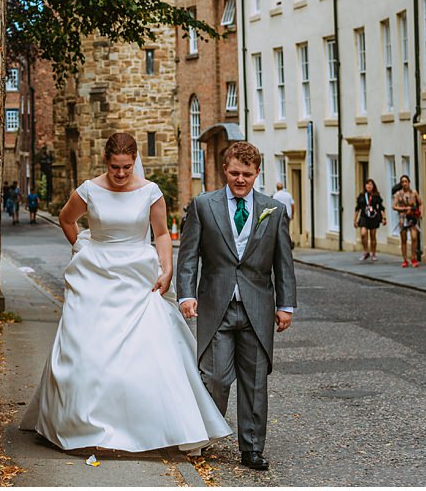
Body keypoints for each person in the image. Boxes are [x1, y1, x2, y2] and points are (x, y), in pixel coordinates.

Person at [20, 132, 232, 454]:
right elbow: (66, 219)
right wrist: (81, 247)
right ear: (106, 161)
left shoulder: (150, 192)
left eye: (127, 167)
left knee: (148, 351)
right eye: (115, 167)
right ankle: (80, 424)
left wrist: (167, 269)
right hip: (95, 274)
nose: (120, 174)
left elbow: (161, 234)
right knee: (84, 349)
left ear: (135, 162)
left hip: (137, 276)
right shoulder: (89, 190)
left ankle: (151, 427)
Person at [176, 141, 296, 471]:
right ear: (224, 170)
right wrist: (186, 295)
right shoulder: (203, 206)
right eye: (233, 173)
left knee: (255, 380)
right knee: (214, 375)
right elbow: (188, 256)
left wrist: (286, 305)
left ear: (257, 173)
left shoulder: (274, 210)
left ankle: (252, 448)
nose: (239, 179)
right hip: (217, 306)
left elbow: (283, 262)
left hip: (257, 307)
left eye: (246, 174)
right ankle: (203, 437)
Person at [392, 175, 423, 268]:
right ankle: (405, 259)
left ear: (409, 182)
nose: (404, 183)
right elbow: (394, 206)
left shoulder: (414, 193)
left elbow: (421, 203)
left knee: (414, 237)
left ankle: (413, 258)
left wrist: (421, 213)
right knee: (403, 239)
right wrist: (404, 208)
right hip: (402, 217)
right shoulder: (398, 194)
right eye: (403, 182)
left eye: (406, 181)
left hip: (412, 217)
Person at [353, 179, 387, 262]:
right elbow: (357, 209)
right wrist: (355, 220)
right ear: (365, 186)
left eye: (371, 185)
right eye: (367, 184)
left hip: (373, 217)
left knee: (372, 235)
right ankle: (365, 251)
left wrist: (384, 218)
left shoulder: (376, 196)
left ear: (373, 186)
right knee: (363, 234)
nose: (369, 186)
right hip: (364, 217)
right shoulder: (361, 196)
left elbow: (381, 208)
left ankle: (373, 253)